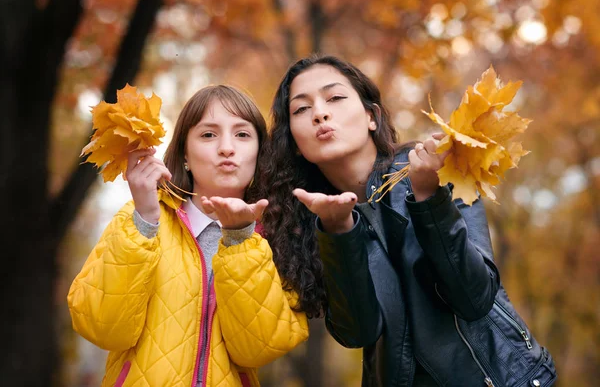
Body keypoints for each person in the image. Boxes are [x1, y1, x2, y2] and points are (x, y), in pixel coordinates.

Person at [260, 54, 557, 386]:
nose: (320, 113)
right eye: (301, 109)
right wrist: (338, 231)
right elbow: (357, 331)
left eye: (335, 98)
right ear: (296, 144)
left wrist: (429, 197)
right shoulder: (310, 219)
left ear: (371, 116)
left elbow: (475, 297)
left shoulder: (437, 169)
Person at [68, 85, 308, 387]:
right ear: (184, 153)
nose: (226, 148)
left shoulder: (276, 237)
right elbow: (101, 328)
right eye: (208, 134)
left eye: (242, 134)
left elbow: (259, 349)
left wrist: (239, 239)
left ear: (260, 153)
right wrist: (144, 221)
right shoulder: (138, 218)